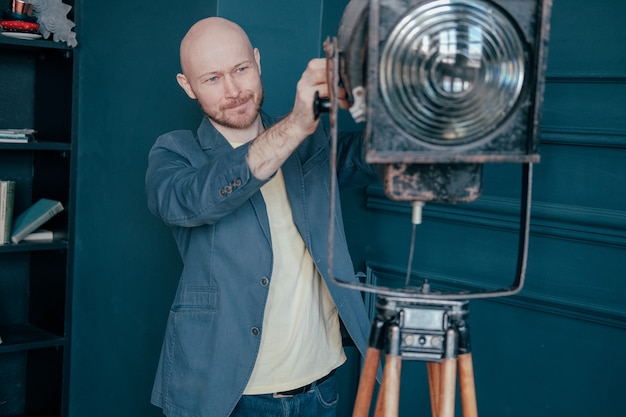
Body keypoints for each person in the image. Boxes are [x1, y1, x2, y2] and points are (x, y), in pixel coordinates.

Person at [145, 16, 378, 417]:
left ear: (257, 60)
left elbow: (378, 155)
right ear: (187, 86)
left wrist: (395, 95)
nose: (234, 91)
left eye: (240, 69)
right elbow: (192, 199)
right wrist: (296, 125)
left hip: (322, 386)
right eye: (212, 79)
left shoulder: (312, 141)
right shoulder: (174, 154)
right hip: (231, 396)